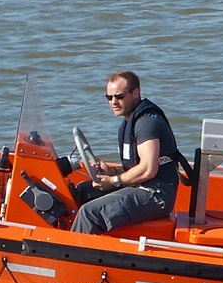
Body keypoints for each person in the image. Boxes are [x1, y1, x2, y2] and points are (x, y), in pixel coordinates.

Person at [71, 71, 182, 235]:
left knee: (90, 214)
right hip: (142, 186)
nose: (114, 102)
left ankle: (73, 254)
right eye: (109, 98)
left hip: (155, 195)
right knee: (83, 191)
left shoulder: (147, 123)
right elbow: (137, 167)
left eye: (119, 96)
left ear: (135, 93)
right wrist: (111, 172)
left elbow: (148, 169)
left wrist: (113, 180)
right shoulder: (129, 122)